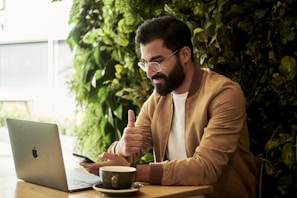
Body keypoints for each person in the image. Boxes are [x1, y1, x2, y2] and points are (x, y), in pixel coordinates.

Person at [80, 15, 259, 198]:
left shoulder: (224, 94)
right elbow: (124, 157)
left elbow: (206, 168)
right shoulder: (159, 98)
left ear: (184, 55)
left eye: (157, 62)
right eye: (146, 64)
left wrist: (133, 171)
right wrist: (123, 148)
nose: (150, 73)